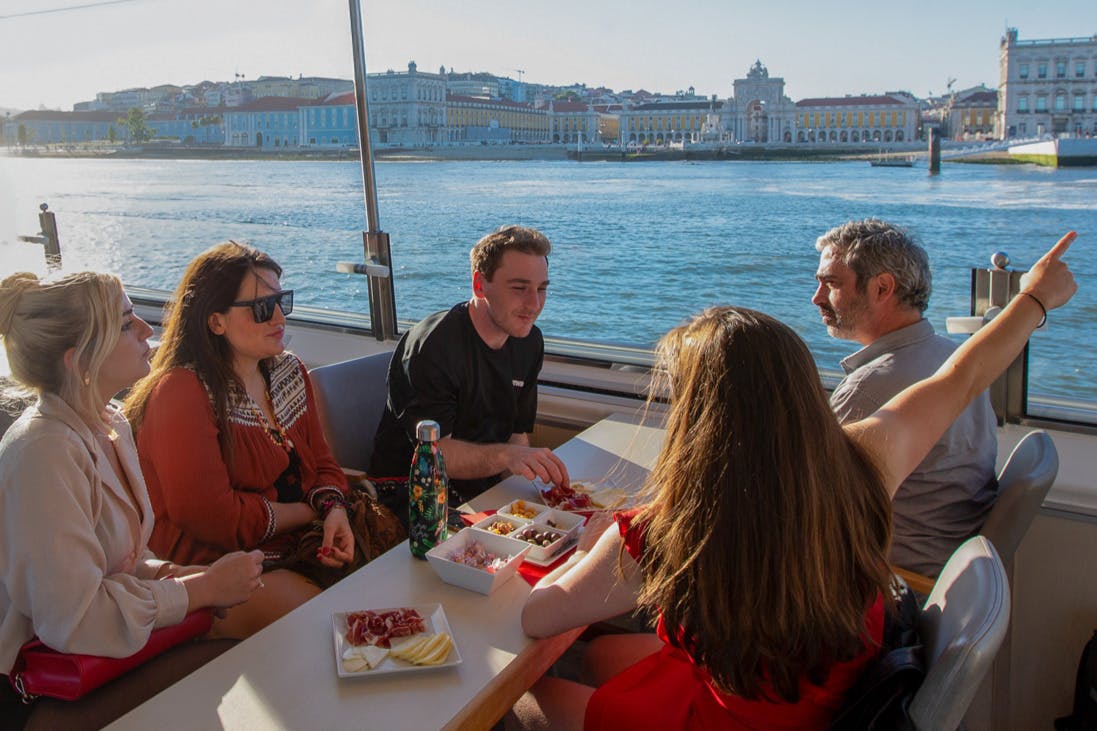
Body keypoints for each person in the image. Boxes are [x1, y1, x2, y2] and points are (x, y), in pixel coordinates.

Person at [511, 232, 1077, 730]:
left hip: (722, 715)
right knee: (601, 657)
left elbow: (539, 615)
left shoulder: (670, 531)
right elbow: (964, 372)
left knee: (529, 695)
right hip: (824, 702)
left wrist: (586, 547)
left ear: (693, 416)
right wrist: (1034, 298)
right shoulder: (866, 463)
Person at [0, 271, 264, 730]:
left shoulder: (109, 423)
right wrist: (198, 591)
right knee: (234, 669)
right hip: (43, 687)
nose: (147, 330)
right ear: (79, 358)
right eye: (126, 324)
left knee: (244, 661)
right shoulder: (43, 452)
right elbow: (75, 619)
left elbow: (121, 562)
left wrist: (181, 575)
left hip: (100, 655)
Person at [125, 241, 355, 639]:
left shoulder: (288, 372)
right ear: (216, 322)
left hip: (297, 544)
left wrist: (334, 511)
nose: (280, 316)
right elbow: (217, 519)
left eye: (283, 301)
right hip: (216, 570)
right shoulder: (181, 392)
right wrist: (308, 511)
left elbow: (323, 465)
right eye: (263, 308)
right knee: (334, 630)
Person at [812, 219, 997, 576]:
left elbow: (814, 511)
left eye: (831, 283)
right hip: (951, 570)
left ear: (882, 288)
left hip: (894, 581)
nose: (817, 297)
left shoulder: (870, 390)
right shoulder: (951, 359)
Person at [369, 225, 569, 516]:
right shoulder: (435, 346)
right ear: (479, 285)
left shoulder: (529, 341)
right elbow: (436, 456)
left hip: (481, 489)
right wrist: (507, 457)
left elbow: (517, 435)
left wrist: (529, 499)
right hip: (412, 494)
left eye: (541, 289)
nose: (534, 304)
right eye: (519, 288)